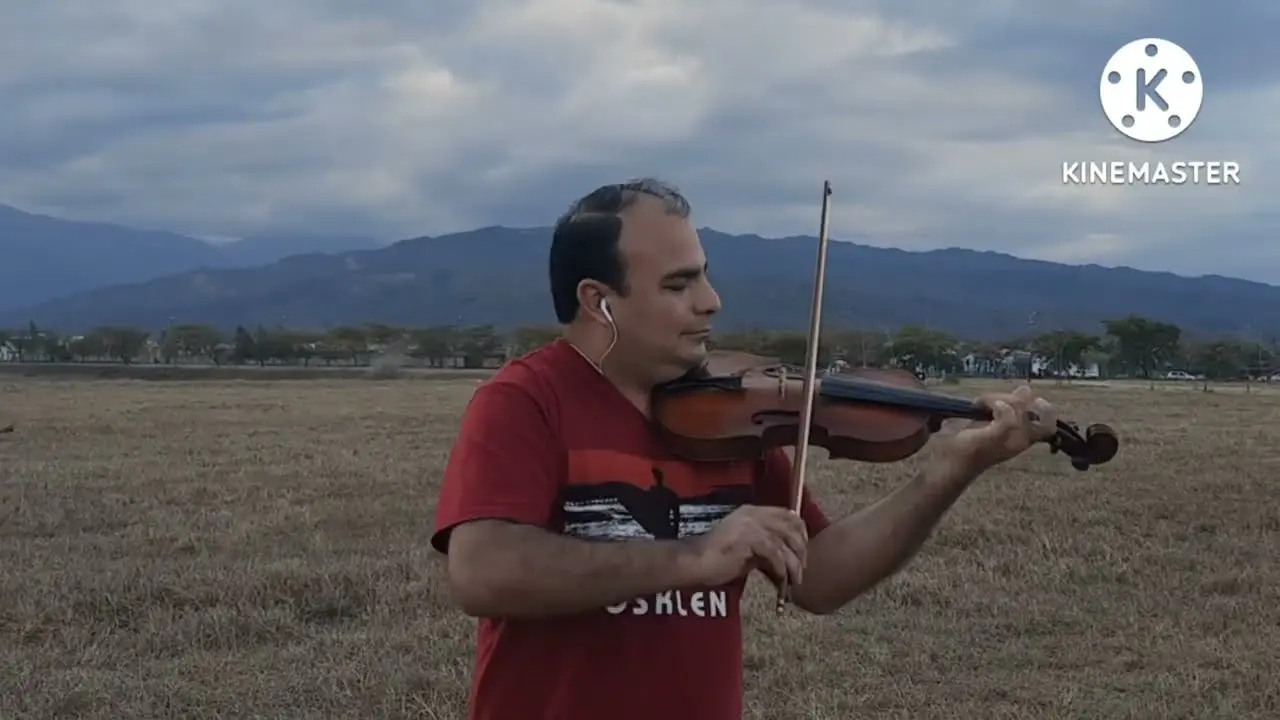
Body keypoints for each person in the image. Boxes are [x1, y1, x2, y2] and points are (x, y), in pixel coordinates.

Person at [430, 178, 1059, 720]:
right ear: (600, 301)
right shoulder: (525, 401)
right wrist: (697, 555)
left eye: (704, 274)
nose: (712, 300)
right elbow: (486, 571)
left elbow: (820, 577)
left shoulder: (730, 414)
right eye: (679, 284)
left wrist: (953, 468)